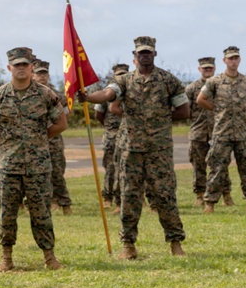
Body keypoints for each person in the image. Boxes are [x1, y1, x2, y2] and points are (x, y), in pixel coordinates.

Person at [79, 36, 189, 259]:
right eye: (140, 52)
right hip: (131, 150)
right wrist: (88, 97)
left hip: (159, 149)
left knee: (165, 196)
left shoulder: (169, 80)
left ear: (155, 54)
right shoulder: (125, 80)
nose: (145, 55)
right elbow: (108, 95)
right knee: (129, 196)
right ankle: (128, 245)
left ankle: (175, 242)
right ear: (135, 56)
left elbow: (184, 110)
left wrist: (161, 118)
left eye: (148, 52)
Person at [0, 47, 67, 271]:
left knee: (42, 213)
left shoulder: (45, 94)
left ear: (31, 67)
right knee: (7, 213)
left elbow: (61, 123)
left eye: (25, 65)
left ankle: (50, 257)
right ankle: (6, 258)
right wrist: (7, 141)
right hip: (10, 166)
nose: (21, 68)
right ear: (9, 67)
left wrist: (39, 139)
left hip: (38, 167)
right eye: (16, 65)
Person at [197, 46, 246, 213]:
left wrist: (245, 108)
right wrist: (216, 109)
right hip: (222, 132)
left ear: (239, 60)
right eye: (230, 58)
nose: (233, 61)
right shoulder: (215, 81)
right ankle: (210, 203)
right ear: (224, 61)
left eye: (236, 58)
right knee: (217, 168)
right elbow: (201, 99)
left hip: (242, 133)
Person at [184, 56, 233, 208]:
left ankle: (226, 195)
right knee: (198, 166)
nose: (207, 70)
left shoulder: (221, 85)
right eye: (205, 68)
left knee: (220, 165)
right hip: (198, 132)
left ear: (215, 68)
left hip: (219, 131)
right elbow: (186, 109)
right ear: (199, 69)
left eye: (210, 68)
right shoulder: (191, 88)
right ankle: (200, 195)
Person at [32, 60, 72, 214]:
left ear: (48, 75)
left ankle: (64, 203)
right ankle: (37, 204)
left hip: (53, 140)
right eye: (38, 73)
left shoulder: (58, 97)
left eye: (44, 73)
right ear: (33, 75)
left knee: (57, 172)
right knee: (35, 174)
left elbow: (66, 117)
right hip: (34, 141)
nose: (42, 77)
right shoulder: (29, 96)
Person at [94, 63, 130, 210]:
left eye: (124, 74)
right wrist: (110, 129)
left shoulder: (133, 91)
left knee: (129, 169)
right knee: (110, 168)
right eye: (119, 74)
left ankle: (126, 199)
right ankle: (108, 197)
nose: (121, 77)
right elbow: (98, 115)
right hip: (112, 135)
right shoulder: (107, 93)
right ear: (114, 76)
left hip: (130, 135)